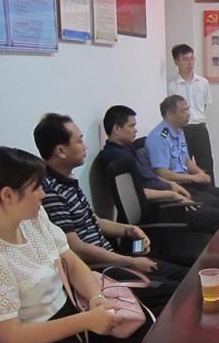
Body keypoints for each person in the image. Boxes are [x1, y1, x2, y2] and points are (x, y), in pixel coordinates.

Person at [0, 147, 147, 343]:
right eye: (37, 188)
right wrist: (87, 320)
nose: (44, 194)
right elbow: (13, 339)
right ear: (8, 195)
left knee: (146, 339)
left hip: (76, 312)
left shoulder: (33, 219)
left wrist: (97, 298)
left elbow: (72, 262)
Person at [33, 113, 186, 314]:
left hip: (114, 259)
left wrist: (129, 230)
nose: (85, 146)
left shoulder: (67, 180)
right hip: (101, 271)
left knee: (185, 277)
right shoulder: (50, 192)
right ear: (61, 151)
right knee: (180, 293)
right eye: (79, 141)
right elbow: (76, 248)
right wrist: (130, 262)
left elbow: (93, 220)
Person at [101, 105, 219, 235]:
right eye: (131, 126)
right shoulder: (117, 158)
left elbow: (149, 176)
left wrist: (171, 184)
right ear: (116, 129)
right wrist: (172, 194)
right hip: (163, 207)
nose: (136, 130)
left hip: (169, 196)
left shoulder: (128, 149)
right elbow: (136, 193)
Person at [146, 95, 219, 213]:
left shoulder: (179, 131)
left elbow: (186, 160)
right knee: (216, 203)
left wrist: (200, 173)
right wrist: (193, 177)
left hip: (187, 181)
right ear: (170, 114)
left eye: (188, 109)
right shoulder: (159, 137)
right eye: (183, 111)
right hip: (176, 187)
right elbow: (162, 173)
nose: (188, 114)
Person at [167, 44, 215, 184]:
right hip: (181, 130)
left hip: (199, 128)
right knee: (183, 165)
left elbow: (204, 106)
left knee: (206, 164)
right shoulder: (171, 86)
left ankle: (211, 192)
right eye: (185, 59)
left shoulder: (203, 82)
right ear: (176, 61)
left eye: (192, 59)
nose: (190, 63)